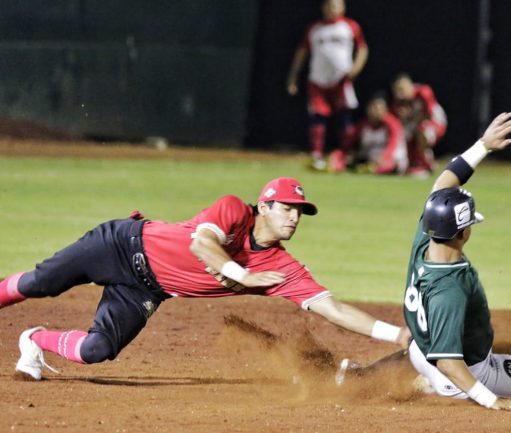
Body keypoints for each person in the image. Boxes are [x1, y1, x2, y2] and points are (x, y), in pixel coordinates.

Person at [0, 177, 410, 380]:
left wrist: (398, 336)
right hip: (121, 244)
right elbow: (202, 245)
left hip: (146, 288)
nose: (294, 217)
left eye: (300, 212)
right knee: (39, 284)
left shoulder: (282, 268)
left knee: (97, 350)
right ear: (264, 205)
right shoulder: (234, 209)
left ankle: (33, 340)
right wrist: (242, 275)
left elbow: (331, 307)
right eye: (287, 208)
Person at [336, 113, 511, 412]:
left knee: (434, 345)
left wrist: (484, 145)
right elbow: (448, 362)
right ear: (464, 232)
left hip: (419, 349)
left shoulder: (425, 238)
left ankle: (367, 375)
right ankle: (431, 387)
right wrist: (492, 400)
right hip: (456, 376)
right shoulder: (450, 289)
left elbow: (445, 180)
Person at [286, 0, 369, 171]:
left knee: (344, 119)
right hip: (317, 80)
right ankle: (317, 156)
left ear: (343, 7)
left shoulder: (349, 26)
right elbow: (302, 52)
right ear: (323, 7)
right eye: (329, 5)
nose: (332, 8)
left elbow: (362, 49)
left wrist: (356, 68)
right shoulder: (315, 29)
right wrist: (293, 77)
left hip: (341, 80)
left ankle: (347, 156)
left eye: (336, 5)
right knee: (318, 118)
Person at [328, 92, 408, 174]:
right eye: (372, 108)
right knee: (341, 156)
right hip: (369, 160)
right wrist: (346, 154)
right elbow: (349, 142)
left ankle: (376, 170)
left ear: (385, 110)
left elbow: (393, 144)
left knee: (388, 164)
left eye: (378, 109)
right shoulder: (363, 125)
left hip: (391, 158)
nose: (375, 111)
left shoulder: (392, 124)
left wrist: (385, 156)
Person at [391, 73, 447, 177]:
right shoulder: (400, 102)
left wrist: (410, 116)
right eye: (397, 91)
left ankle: (426, 163)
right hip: (416, 124)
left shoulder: (423, 92)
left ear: (410, 86)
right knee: (405, 135)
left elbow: (428, 115)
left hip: (435, 123)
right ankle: (413, 164)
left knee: (422, 129)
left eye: (401, 89)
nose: (399, 94)